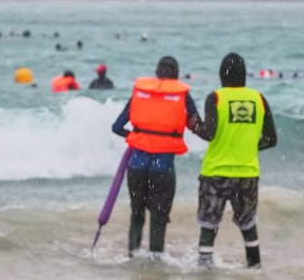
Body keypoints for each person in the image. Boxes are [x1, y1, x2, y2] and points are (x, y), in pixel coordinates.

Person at [111, 55, 201, 257]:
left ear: (156, 74)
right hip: (163, 169)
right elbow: (196, 126)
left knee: (136, 214)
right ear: (177, 76)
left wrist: (136, 136)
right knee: (159, 219)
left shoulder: (140, 94)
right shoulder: (182, 96)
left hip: (136, 167)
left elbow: (117, 127)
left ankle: (132, 255)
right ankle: (155, 262)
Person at [192, 53, 276, 268]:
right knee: (248, 224)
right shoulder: (259, 99)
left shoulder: (216, 98)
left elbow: (209, 133)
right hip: (247, 173)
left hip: (215, 173)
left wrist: (191, 124)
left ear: (221, 75)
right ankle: (255, 267)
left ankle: (204, 270)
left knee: (209, 225)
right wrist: (249, 148)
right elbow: (270, 139)